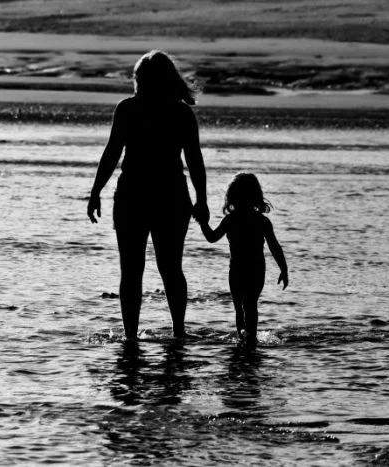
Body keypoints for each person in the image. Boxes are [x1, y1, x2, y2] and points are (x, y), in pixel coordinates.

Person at [87, 50, 209, 341]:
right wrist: (201, 200)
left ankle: (134, 336)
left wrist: (96, 191)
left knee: (137, 270)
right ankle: (174, 333)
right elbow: (194, 160)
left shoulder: (131, 109)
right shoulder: (179, 113)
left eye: (140, 78)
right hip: (167, 196)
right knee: (167, 268)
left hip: (138, 196)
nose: (138, 83)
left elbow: (113, 152)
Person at [197, 173, 288, 346]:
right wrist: (283, 269)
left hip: (245, 269)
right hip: (247, 269)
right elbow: (275, 247)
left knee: (245, 305)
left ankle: (248, 338)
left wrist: (203, 223)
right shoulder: (255, 221)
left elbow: (212, 237)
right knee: (245, 305)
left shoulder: (240, 220)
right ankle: (247, 339)